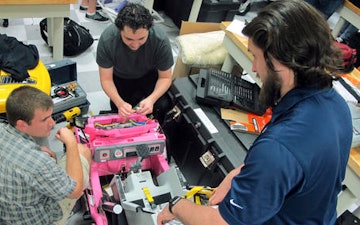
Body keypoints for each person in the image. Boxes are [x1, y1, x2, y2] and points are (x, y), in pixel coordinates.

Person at [157, 0, 352, 224]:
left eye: (256, 57)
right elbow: (292, 169)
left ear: (279, 62)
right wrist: (240, 172)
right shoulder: (336, 105)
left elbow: (221, 222)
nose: (253, 68)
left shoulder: (277, 149)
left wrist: (177, 205)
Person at [0, 86, 92, 225]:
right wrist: (71, 144)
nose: (53, 123)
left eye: (51, 116)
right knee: (82, 151)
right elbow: (76, 190)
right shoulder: (39, 164)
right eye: (44, 120)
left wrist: (36, 150)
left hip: (5, 215)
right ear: (22, 124)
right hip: (40, 220)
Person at [96, 3, 174, 125]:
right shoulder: (108, 40)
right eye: (129, 39)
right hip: (120, 78)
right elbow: (106, 79)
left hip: (149, 76)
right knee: (121, 114)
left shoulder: (160, 40)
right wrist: (119, 103)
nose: (135, 45)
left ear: (149, 29)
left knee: (162, 106)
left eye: (141, 39)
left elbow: (165, 77)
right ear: (119, 30)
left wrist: (151, 100)